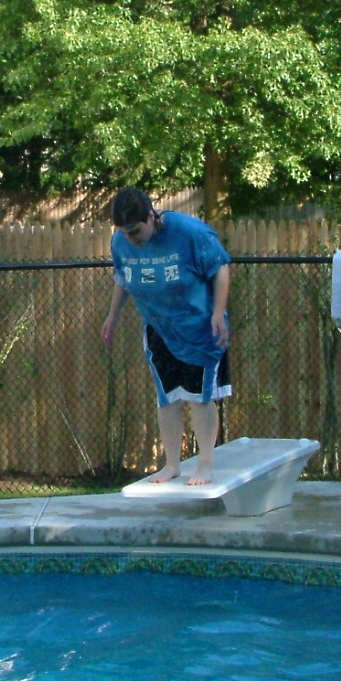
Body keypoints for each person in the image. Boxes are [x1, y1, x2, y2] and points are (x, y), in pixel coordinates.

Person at [101, 188, 231, 486]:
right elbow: (122, 278)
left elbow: (220, 268)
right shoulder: (120, 241)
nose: (131, 239)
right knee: (167, 398)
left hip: (199, 327)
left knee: (199, 398)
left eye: (135, 231)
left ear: (151, 216)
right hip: (158, 326)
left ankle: (205, 465)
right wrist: (112, 316)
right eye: (124, 233)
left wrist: (217, 313)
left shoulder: (190, 232)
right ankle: (172, 465)